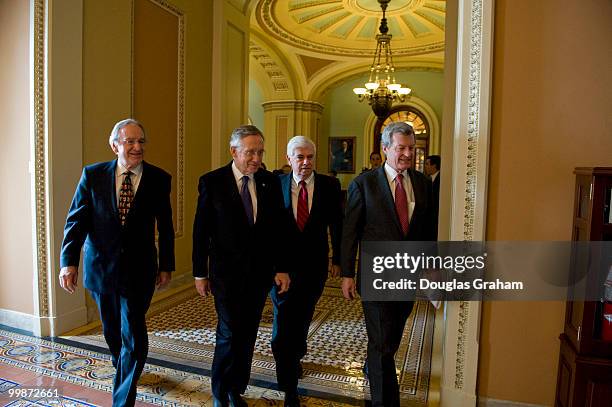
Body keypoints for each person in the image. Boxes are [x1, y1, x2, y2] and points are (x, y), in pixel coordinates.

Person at [59, 118, 175, 407]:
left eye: (141, 141)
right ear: (114, 145)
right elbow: (76, 221)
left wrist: (166, 265)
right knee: (112, 330)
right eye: (130, 141)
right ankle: (122, 362)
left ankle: (123, 397)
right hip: (101, 268)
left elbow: (166, 225)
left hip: (140, 269)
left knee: (133, 331)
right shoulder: (93, 175)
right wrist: (68, 262)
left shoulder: (159, 178)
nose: (137, 147)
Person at [192, 125, 291, 407]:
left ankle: (236, 388)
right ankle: (220, 391)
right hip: (225, 275)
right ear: (234, 151)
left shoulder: (269, 182)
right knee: (229, 331)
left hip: (259, 274)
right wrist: (200, 272)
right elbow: (202, 231)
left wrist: (281, 267)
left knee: (248, 333)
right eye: (250, 152)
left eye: (260, 152)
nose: (256, 158)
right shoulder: (212, 182)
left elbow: (278, 229)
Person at [341, 122, 434, 407]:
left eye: (411, 148)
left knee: (392, 337)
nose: (407, 153)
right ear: (385, 149)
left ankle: (374, 368)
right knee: (381, 343)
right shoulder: (364, 183)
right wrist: (346, 273)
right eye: (401, 148)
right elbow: (350, 232)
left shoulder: (421, 182)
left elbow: (428, 228)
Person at [271, 136, 343, 406]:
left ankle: (294, 355)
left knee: (302, 319)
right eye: (299, 157)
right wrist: (278, 267)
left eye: (310, 157)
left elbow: (337, 224)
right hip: (282, 270)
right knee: (283, 319)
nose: (305, 162)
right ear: (288, 158)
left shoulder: (330, 185)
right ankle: (288, 381)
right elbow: (269, 231)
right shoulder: (274, 185)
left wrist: (339, 259)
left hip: (314, 268)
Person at [424, 155, 440, 239]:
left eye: (427, 164)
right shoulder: (427, 179)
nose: (425, 167)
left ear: (434, 165)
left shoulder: (441, 179)